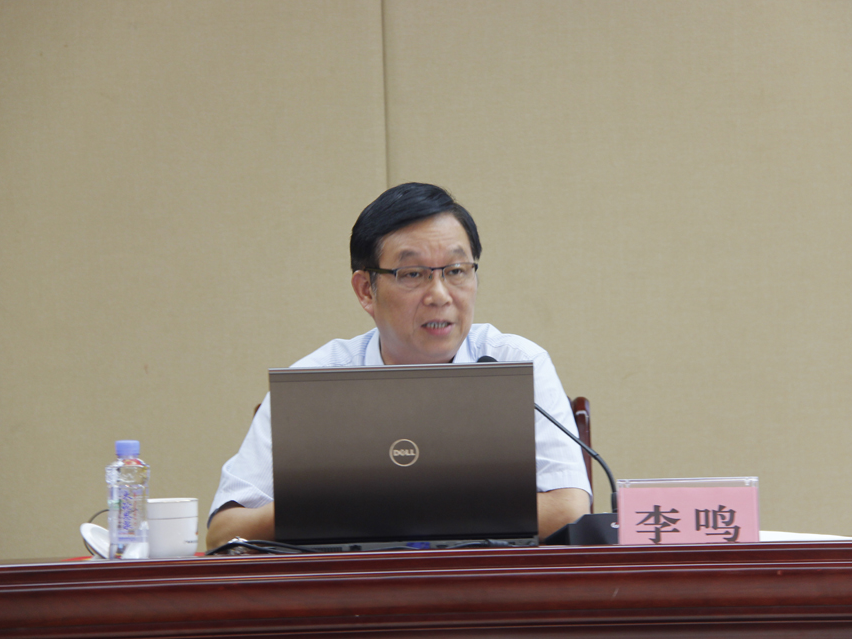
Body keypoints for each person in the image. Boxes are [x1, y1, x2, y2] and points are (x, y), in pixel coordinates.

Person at [206, 183, 591, 550]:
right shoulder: (315, 384)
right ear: (365, 290)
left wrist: (391, 506)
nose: (439, 295)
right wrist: (332, 505)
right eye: (412, 274)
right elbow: (223, 533)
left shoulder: (515, 362)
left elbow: (569, 510)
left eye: (456, 270)